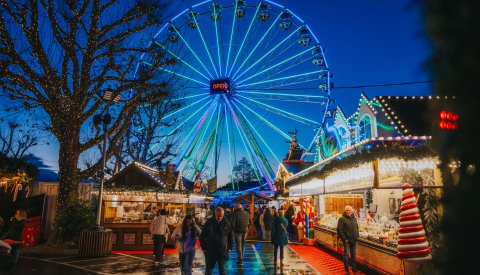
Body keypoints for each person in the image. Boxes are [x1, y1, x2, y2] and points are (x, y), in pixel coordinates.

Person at [200, 207, 233, 275]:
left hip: (222, 251)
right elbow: (202, 236)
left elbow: (230, 236)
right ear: (215, 214)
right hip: (210, 251)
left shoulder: (226, 222)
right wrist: (204, 248)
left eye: (221, 216)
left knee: (223, 271)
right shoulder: (209, 222)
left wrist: (230, 248)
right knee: (208, 271)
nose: (220, 217)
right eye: (218, 216)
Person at [337, 205, 359, 275]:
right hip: (347, 240)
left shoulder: (354, 219)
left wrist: (357, 236)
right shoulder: (342, 219)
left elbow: (357, 228)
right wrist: (344, 239)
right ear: (345, 211)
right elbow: (339, 229)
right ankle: (346, 270)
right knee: (346, 255)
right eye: (346, 210)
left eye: (349, 210)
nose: (348, 211)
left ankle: (354, 269)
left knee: (353, 255)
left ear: (352, 211)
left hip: (354, 240)